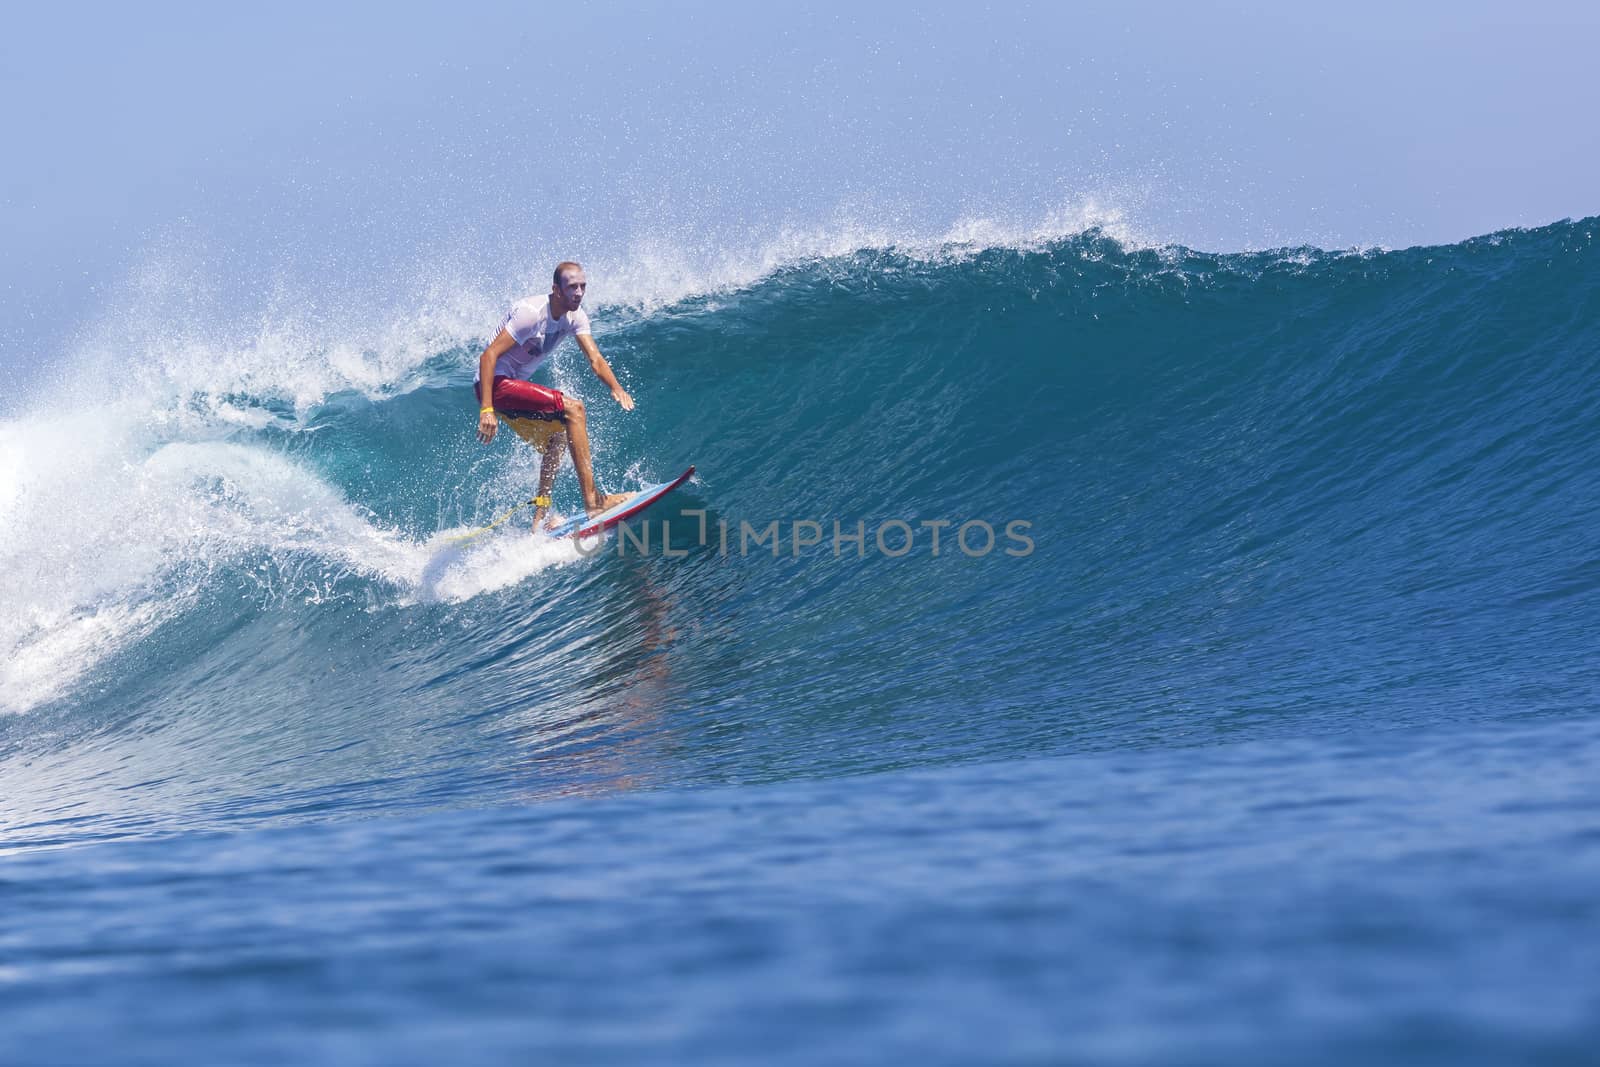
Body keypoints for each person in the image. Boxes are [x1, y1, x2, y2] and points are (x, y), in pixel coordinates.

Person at [475, 261, 634, 528]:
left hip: (508, 387)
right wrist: (487, 409)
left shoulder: (576, 316)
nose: (579, 292)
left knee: (558, 434)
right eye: (572, 287)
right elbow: (488, 355)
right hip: (494, 385)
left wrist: (616, 388)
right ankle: (594, 502)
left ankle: (539, 517)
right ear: (556, 290)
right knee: (574, 409)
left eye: (583, 286)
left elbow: (595, 359)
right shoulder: (531, 314)